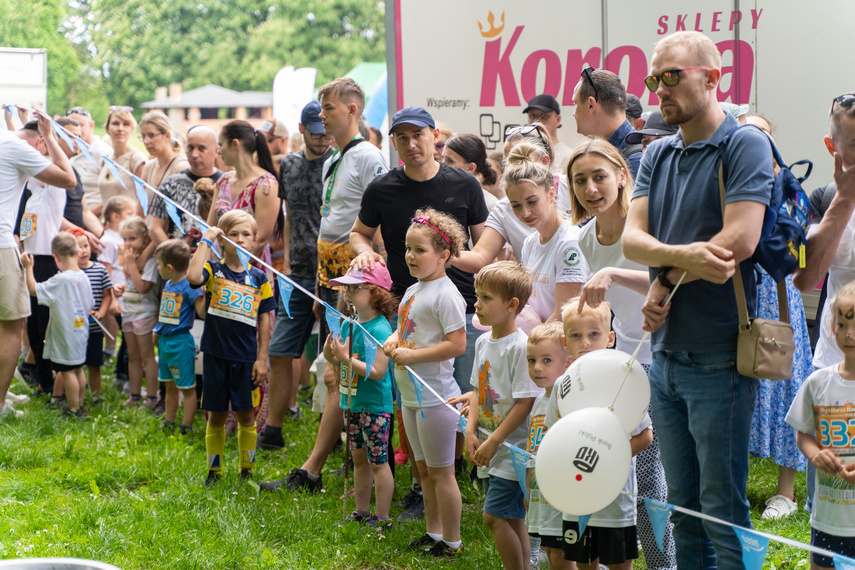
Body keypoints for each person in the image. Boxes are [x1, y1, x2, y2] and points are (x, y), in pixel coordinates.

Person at [621, 31, 775, 568]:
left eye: (671, 76)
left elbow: (742, 238)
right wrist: (682, 262)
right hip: (665, 357)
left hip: (719, 357)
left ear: (713, 79)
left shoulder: (744, 144)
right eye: (652, 79)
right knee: (683, 508)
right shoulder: (657, 151)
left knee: (722, 508)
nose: (659, 89)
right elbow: (631, 240)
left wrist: (662, 278)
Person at [267, 78, 387, 495]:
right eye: (320, 110)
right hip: (332, 280)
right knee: (335, 372)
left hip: (358, 280)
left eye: (329, 109)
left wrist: (374, 288)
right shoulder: (335, 157)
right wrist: (324, 289)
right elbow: (328, 222)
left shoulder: (369, 157)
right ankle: (344, 462)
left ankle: (316, 468)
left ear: (352, 111)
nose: (322, 117)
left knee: (347, 373)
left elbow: (380, 225)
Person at [567, 138, 676, 569]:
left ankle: (663, 562)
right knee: (610, 470)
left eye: (599, 177)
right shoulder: (581, 237)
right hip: (606, 369)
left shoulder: (642, 224)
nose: (591, 188)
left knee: (649, 477)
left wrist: (612, 272)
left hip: (652, 360)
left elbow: (666, 277)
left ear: (622, 177)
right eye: (580, 180)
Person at [383, 208, 468, 558]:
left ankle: (452, 541)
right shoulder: (414, 290)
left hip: (436, 398)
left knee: (442, 474)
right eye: (407, 248)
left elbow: (457, 344)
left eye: (420, 250)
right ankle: (434, 533)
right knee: (423, 473)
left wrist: (413, 356)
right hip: (411, 398)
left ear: (444, 255)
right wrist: (392, 338)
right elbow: (407, 331)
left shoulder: (446, 294)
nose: (410, 256)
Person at [549, 298, 652, 570]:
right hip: (577, 496)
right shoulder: (562, 386)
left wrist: (606, 460)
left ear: (610, 338)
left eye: (594, 334)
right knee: (585, 564)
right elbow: (553, 434)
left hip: (615, 501)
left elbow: (645, 436)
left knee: (620, 565)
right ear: (564, 342)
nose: (585, 342)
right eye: (576, 335)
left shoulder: (623, 384)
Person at [259, 101, 333, 452]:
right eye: (316, 133)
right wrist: (286, 263)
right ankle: (273, 428)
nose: (322, 139)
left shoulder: (340, 162)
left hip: (334, 272)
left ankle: (331, 430)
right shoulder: (287, 165)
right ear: (301, 130)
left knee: (332, 356)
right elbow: (287, 217)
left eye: (326, 132)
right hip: (298, 271)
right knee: (279, 349)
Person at [188, 210, 276, 485]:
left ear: (253, 241)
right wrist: (207, 239)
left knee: (245, 414)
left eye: (245, 235)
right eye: (233, 234)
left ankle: (246, 469)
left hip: (246, 359)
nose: (239, 239)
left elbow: (264, 319)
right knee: (215, 415)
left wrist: (262, 359)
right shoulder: (213, 270)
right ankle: (214, 471)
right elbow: (192, 277)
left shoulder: (260, 278)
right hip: (215, 355)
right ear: (223, 240)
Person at [465, 261, 540, 569]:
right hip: (486, 444)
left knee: (494, 517)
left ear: (512, 305)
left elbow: (525, 402)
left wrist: (495, 441)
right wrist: (470, 432)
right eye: (477, 295)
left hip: (512, 450)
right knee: (512, 518)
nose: (477, 304)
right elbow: (475, 391)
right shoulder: (483, 342)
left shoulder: (521, 347)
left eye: (486, 298)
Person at [0, 112, 76, 418]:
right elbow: (67, 178)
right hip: (2, 245)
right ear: (40, 142)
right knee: (11, 327)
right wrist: (52, 137)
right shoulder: (17, 146)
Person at [464, 141, 589, 324]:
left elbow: (563, 316)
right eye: (516, 205)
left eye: (532, 202)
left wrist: (531, 345)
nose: (525, 213)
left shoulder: (569, 243)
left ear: (551, 194)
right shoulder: (531, 243)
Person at [785, 280, 855, 570]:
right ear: (832, 327)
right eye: (842, 325)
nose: (849, 334)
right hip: (828, 519)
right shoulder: (817, 382)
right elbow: (803, 434)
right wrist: (814, 454)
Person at [323, 264, 397, 530]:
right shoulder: (349, 323)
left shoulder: (379, 329)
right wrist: (331, 350)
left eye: (355, 288)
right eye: (347, 287)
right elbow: (333, 358)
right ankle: (361, 511)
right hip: (351, 402)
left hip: (375, 406)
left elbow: (378, 371)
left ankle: (383, 517)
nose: (348, 293)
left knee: (378, 462)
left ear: (376, 293)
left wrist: (343, 358)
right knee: (358, 458)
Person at [16, 121, 70, 399]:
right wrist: (20, 119)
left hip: (47, 261)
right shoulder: (33, 190)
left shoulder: (53, 188)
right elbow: (23, 146)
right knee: (33, 327)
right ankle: (44, 380)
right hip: (29, 260)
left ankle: (55, 382)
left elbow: (60, 168)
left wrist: (49, 137)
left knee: (45, 326)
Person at [21, 233, 94, 419]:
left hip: (65, 336)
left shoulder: (60, 280)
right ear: (78, 253)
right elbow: (90, 305)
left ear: (56, 257)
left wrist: (29, 267)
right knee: (78, 369)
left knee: (67, 371)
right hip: (80, 333)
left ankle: (72, 410)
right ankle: (80, 405)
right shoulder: (83, 277)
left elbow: (33, 289)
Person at [524, 321, 573, 570]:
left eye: (546, 360)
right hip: (539, 492)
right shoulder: (538, 402)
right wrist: (528, 485)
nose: (537, 368)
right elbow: (532, 450)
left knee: (562, 553)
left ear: (568, 362)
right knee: (552, 550)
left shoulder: (568, 401)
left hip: (561, 493)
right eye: (531, 360)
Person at [208, 120, 281, 264]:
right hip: (217, 267)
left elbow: (259, 240)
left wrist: (232, 270)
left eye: (221, 144)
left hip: (248, 272)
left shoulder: (266, 184)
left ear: (235, 144)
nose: (219, 150)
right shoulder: (223, 180)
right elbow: (209, 228)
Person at [153, 239, 204, 435]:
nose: (157, 267)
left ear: (169, 267)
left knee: (188, 388)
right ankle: (169, 422)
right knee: (169, 386)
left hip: (181, 343)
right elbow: (166, 314)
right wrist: (157, 332)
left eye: (158, 264)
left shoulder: (190, 287)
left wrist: (204, 295)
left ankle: (186, 427)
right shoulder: (168, 284)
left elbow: (201, 312)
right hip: (165, 343)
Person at [149, 126, 223, 251]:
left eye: (201, 148)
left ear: (216, 151)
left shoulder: (225, 184)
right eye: (190, 147)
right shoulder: (172, 183)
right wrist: (177, 258)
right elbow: (155, 228)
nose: (194, 154)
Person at [116, 216, 160, 407]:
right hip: (128, 311)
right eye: (125, 239)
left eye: (132, 238)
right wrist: (120, 288)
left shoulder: (150, 262)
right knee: (132, 356)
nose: (127, 244)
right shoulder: (130, 258)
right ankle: (134, 395)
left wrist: (131, 265)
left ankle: (151, 396)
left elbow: (143, 288)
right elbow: (131, 284)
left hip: (144, 313)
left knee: (147, 356)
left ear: (145, 238)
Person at [572, 68, 641, 177]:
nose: (574, 113)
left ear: (591, 105)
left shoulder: (635, 161)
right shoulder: (620, 153)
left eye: (576, 104)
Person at [71, 228, 113, 405]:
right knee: (74, 365)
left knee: (95, 364)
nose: (84, 251)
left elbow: (107, 295)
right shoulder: (69, 274)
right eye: (79, 248)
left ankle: (96, 396)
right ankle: (73, 395)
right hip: (74, 329)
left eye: (86, 245)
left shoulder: (100, 270)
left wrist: (102, 313)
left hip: (95, 328)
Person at [99, 195, 136, 359]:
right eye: (129, 214)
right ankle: (121, 366)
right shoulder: (108, 240)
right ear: (115, 216)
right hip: (116, 293)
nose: (133, 217)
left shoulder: (124, 238)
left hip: (126, 291)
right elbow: (104, 274)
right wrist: (112, 299)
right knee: (127, 333)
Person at [65, 106, 113, 217]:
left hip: (96, 220)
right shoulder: (65, 151)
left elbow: (112, 195)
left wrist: (86, 219)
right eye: (70, 127)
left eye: (79, 125)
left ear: (91, 125)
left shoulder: (104, 153)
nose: (75, 131)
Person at [98, 106, 146, 213]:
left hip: (127, 225)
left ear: (132, 129)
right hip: (107, 225)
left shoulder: (136, 159)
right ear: (107, 128)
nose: (120, 128)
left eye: (126, 124)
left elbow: (145, 200)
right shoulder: (105, 159)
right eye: (115, 123)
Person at [139, 111, 189, 207]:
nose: (146, 141)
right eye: (143, 136)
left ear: (167, 135)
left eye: (151, 135)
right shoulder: (148, 167)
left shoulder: (181, 167)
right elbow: (140, 208)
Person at [523, 93, 581, 173]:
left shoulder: (568, 156)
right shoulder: (522, 153)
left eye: (544, 116)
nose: (537, 121)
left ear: (558, 120)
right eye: (532, 116)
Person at [442, 132, 500, 208]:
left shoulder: (489, 204)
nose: (442, 164)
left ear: (470, 168)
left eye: (450, 161)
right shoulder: (438, 194)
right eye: (443, 158)